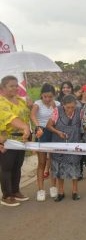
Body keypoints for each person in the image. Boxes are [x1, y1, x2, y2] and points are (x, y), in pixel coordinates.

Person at [0, 76, 31, 207]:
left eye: (16, 85)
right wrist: (24, 127)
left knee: (17, 166)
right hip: (6, 139)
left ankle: (16, 191)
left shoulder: (20, 100)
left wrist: (31, 106)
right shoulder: (2, 102)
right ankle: (7, 195)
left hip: (21, 140)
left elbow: (26, 116)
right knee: (6, 168)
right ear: (3, 88)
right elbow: (11, 118)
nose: (15, 88)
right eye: (11, 86)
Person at [46, 95, 82, 202]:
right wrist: (58, 132)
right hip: (59, 143)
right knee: (59, 168)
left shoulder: (80, 111)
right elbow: (49, 126)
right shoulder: (57, 111)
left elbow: (84, 124)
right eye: (68, 107)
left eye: (72, 107)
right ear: (63, 105)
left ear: (75, 105)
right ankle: (61, 192)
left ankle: (75, 191)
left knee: (74, 167)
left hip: (74, 143)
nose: (70, 110)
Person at [30, 83, 60, 201]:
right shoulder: (37, 103)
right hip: (41, 132)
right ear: (41, 95)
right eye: (45, 96)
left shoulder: (57, 104)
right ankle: (41, 190)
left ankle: (53, 187)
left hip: (53, 132)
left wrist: (54, 107)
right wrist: (38, 127)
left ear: (54, 96)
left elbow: (60, 117)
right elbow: (32, 115)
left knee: (53, 162)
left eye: (50, 97)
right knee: (41, 162)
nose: (47, 99)